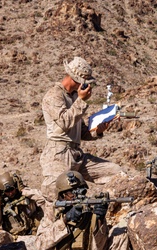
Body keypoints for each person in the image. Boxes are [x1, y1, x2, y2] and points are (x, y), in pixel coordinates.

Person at [40, 56, 123, 200]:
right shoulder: (54, 95)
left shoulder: (73, 97)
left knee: (115, 172)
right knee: (60, 195)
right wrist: (81, 101)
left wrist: (98, 130)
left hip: (76, 154)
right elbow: (65, 122)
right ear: (76, 80)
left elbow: (81, 131)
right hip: (58, 154)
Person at [30, 170, 114, 250]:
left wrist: (100, 219)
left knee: (119, 236)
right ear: (62, 195)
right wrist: (65, 220)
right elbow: (40, 246)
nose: (76, 196)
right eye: (71, 193)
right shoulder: (53, 213)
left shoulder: (90, 210)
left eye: (80, 191)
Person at [0, 171, 45, 236]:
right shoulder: (0, 206)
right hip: (17, 239)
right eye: (7, 191)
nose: (10, 193)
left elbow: (42, 199)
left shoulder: (27, 195)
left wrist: (23, 190)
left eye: (12, 189)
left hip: (36, 231)